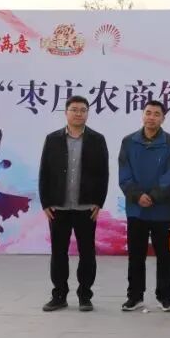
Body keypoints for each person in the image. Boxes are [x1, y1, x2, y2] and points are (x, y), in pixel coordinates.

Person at [38, 95, 109, 312]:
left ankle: (85, 296)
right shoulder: (53, 139)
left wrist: (98, 202)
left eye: (83, 110)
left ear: (87, 113)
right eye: (74, 109)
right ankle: (59, 295)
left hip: (86, 207)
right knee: (58, 253)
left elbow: (103, 174)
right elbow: (44, 172)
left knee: (87, 253)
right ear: (66, 112)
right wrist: (45, 202)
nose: (78, 113)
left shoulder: (97, 139)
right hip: (58, 207)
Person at [118, 100, 170, 313]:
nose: (151, 117)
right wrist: (137, 196)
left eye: (156, 114)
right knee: (136, 256)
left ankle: (165, 297)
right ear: (142, 115)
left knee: (164, 256)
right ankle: (134, 296)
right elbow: (124, 173)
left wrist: (153, 196)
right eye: (148, 113)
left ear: (163, 118)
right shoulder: (129, 141)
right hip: (136, 209)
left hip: (161, 210)